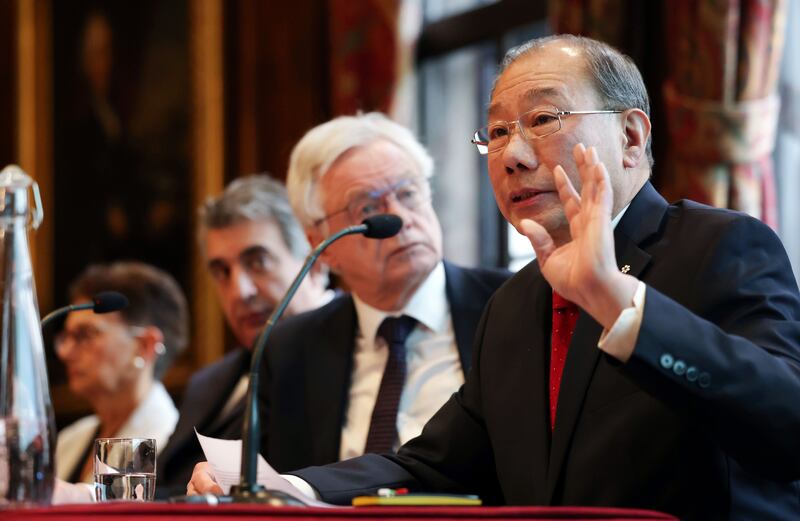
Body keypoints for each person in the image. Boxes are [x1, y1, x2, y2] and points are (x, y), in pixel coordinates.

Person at [191, 36, 800, 519]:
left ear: (631, 137)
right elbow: (432, 466)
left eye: (542, 118)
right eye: (499, 131)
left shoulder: (718, 246)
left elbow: (785, 423)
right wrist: (290, 486)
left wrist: (621, 305)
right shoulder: (514, 305)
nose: (512, 154)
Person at [185, 112, 510, 494]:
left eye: (408, 193)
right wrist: (224, 482)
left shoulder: (508, 306)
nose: (401, 218)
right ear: (321, 245)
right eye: (368, 208)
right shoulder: (290, 349)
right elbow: (268, 481)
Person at [156, 175, 333, 494]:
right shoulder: (207, 383)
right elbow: (166, 486)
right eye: (222, 272)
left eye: (258, 262)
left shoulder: (358, 348)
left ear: (316, 263)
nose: (240, 291)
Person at [55, 261, 189, 484]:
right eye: (65, 337)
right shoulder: (69, 439)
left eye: (86, 335)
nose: (66, 352)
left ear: (144, 346)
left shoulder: (167, 441)